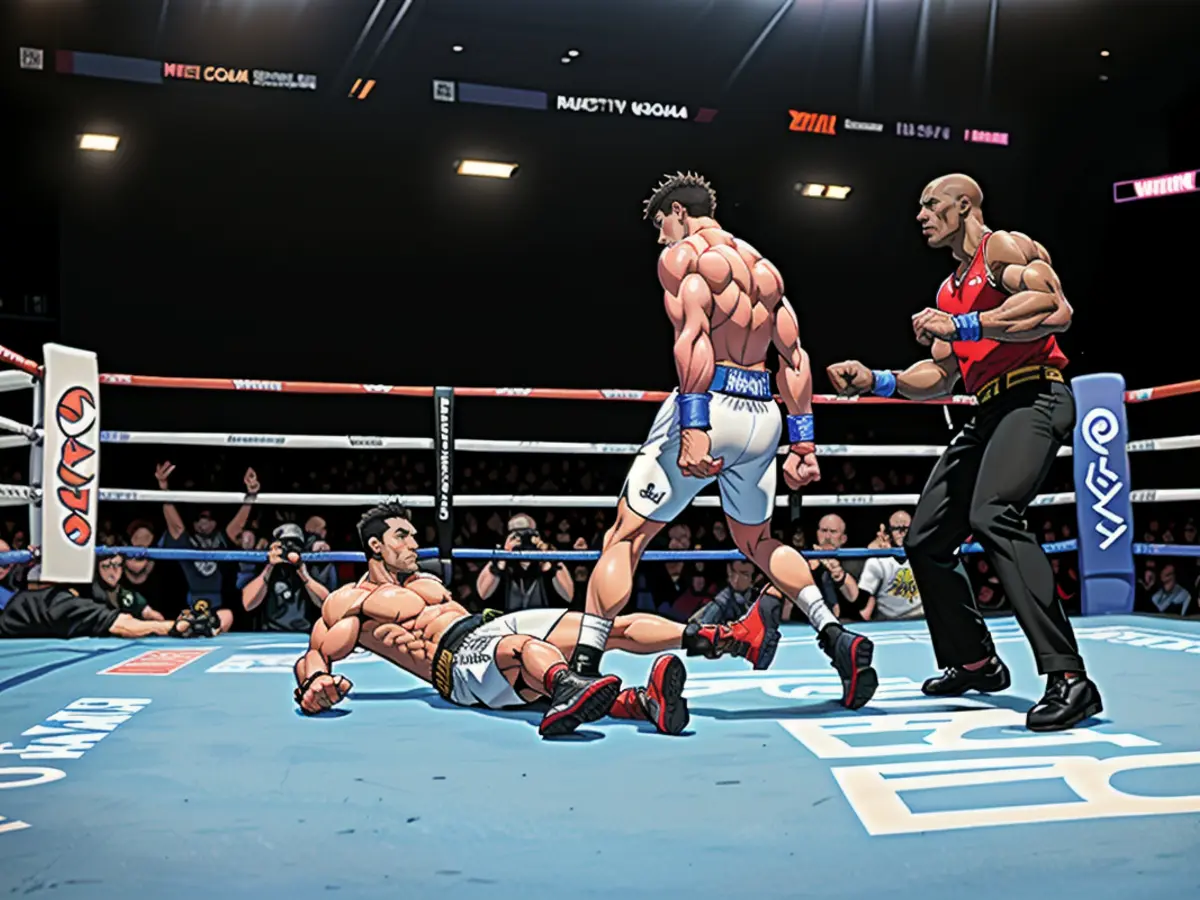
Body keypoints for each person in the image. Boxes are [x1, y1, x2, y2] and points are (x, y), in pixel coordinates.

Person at [548, 171, 879, 735]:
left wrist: (695, 425)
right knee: (758, 540)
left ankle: (581, 671)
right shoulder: (765, 269)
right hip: (765, 417)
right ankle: (834, 634)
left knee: (625, 537)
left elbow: (693, 337)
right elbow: (794, 358)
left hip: (713, 403)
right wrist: (803, 442)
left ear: (678, 211)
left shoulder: (686, 258)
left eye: (660, 224)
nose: (659, 239)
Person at [826, 172, 1102, 732]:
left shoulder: (1001, 248)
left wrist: (968, 323)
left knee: (994, 512)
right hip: (988, 408)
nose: (922, 216)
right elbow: (941, 373)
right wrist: (877, 380)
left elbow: (1054, 305)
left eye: (932, 205)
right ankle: (976, 661)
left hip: (1037, 393)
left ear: (964, 204)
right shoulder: (947, 290)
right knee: (926, 537)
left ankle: (1071, 678)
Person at [293, 503, 782, 738]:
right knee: (524, 651)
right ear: (376, 546)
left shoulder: (425, 579)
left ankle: (732, 639)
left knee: (605, 627)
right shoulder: (352, 600)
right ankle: (570, 690)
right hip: (455, 666)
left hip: (488, 626)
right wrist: (315, 683)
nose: (413, 543)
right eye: (402, 536)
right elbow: (317, 650)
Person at [0, 540, 217, 640]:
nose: (113, 571)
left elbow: (144, 613)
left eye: (116, 566)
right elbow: (120, 624)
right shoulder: (64, 601)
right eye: (107, 566)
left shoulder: (119, 593)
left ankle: (175, 626)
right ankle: (176, 627)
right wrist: (172, 626)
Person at [156, 461, 259, 633]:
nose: (204, 524)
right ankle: (193, 627)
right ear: (194, 522)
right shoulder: (186, 541)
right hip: (188, 605)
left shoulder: (222, 539)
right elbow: (175, 524)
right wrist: (163, 487)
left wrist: (251, 494)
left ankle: (207, 629)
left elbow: (239, 523)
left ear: (215, 521)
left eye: (208, 519)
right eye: (200, 519)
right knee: (184, 620)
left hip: (220, 608)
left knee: (227, 616)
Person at [241, 523, 332, 631]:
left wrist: (303, 573)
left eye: (294, 544)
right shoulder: (265, 565)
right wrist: (269, 567)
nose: (289, 548)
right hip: (270, 633)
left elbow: (327, 604)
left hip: (304, 632)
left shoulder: (309, 566)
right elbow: (247, 604)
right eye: (285, 544)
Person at [474, 514, 574, 612]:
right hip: (507, 621)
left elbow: (569, 595)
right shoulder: (501, 559)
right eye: (516, 534)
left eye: (527, 533)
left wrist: (550, 559)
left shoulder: (546, 558)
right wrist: (502, 556)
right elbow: (483, 593)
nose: (522, 539)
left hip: (543, 621)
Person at [856, 511, 924, 621]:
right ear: (888, 532)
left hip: (921, 618)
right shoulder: (877, 561)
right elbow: (862, 601)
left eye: (905, 528)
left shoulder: (924, 557)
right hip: (886, 620)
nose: (902, 533)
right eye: (897, 529)